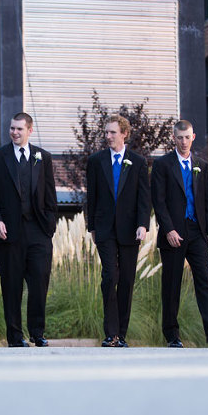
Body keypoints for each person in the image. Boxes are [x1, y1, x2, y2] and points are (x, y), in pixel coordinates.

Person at [150, 120, 208, 348]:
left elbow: (206, 201)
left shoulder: (201, 165)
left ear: (193, 137)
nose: (184, 142)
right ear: (173, 138)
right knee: (172, 284)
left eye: (187, 137)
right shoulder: (162, 164)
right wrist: (169, 229)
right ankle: (172, 335)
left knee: (204, 278)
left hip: (197, 231)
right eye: (180, 138)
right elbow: (159, 201)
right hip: (173, 232)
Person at [0, 112, 57, 347]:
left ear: (30, 131)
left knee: (39, 284)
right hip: (8, 233)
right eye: (12, 128)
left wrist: (49, 227)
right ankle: (15, 336)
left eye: (19, 129)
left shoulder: (43, 157)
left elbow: (50, 196)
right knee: (11, 286)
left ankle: (37, 333)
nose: (14, 132)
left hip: (38, 232)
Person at [86, 115, 150, 347]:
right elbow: (91, 195)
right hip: (104, 229)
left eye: (113, 132)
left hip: (130, 229)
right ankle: (110, 333)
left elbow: (144, 197)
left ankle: (121, 334)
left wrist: (143, 224)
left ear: (124, 134)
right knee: (110, 276)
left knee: (126, 280)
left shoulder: (138, 162)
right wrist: (92, 226)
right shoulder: (96, 161)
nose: (108, 136)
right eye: (106, 132)